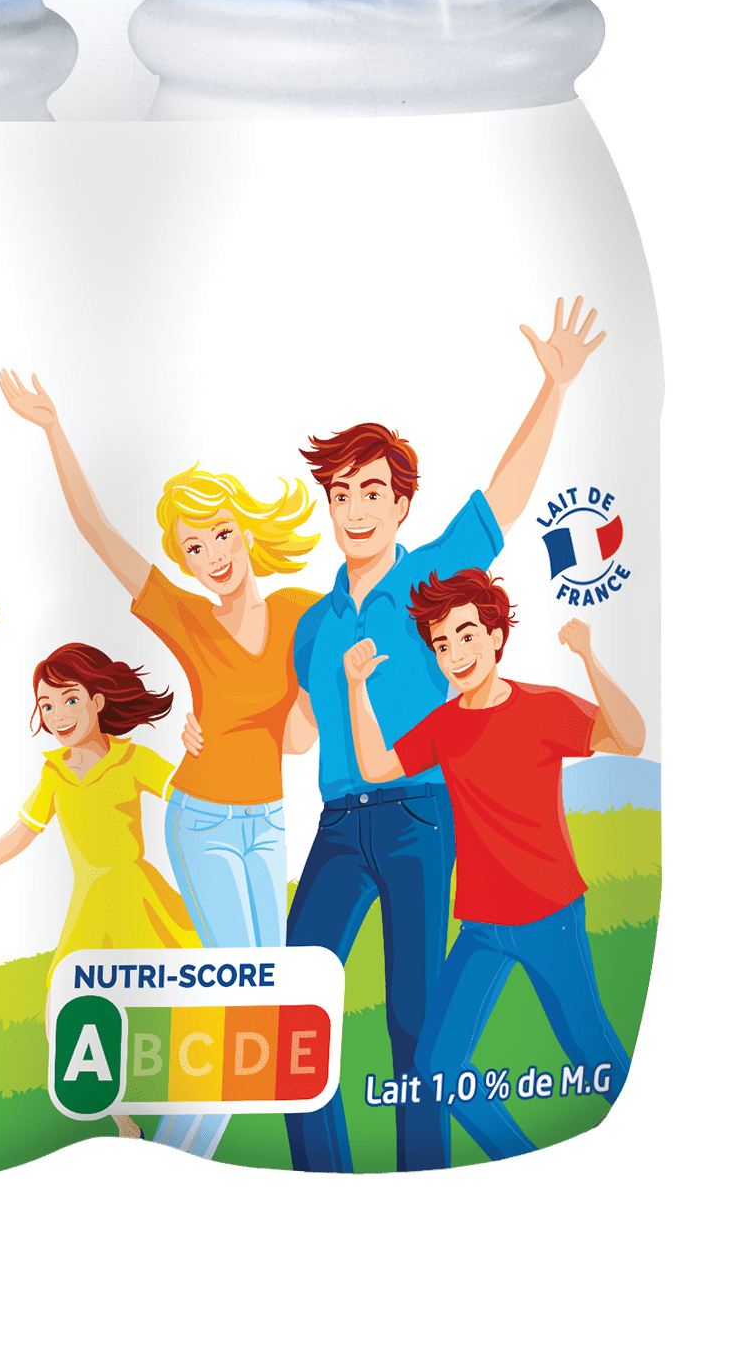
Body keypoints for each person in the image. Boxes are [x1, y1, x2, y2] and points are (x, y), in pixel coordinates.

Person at [286, 297, 605, 1174]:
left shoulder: (431, 576)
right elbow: (298, 732)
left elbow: (505, 496)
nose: (356, 509)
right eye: (341, 495)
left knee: (415, 1018)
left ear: (401, 504)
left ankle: (422, 1178)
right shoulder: (314, 623)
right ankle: (319, 1175)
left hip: (420, 814)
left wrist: (555, 388)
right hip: (337, 824)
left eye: (372, 493)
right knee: (297, 1000)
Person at [0, 373, 320, 1157]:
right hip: (202, 823)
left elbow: (299, 742)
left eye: (219, 536)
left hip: (268, 824)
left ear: (246, 532)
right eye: (192, 548)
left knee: (266, 1004)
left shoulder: (299, 613)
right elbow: (97, 531)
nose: (211, 557)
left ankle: (172, 1147)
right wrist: (52, 428)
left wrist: (318, 694)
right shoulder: (186, 617)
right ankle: (178, 1151)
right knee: (244, 999)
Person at [344, 574, 642, 1159]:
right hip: (482, 925)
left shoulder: (544, 708)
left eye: (466, 634)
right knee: (437, 1066)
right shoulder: (445, 725)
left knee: (591, 1053)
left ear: (497, 635)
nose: (455, 653)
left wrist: (587, 655)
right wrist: (356, 688)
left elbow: (631, 739)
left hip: (550, 914)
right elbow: (377, 767)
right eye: (442, 644)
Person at [0, 642, 195, 1141]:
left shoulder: (132, 759)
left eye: (69, 699)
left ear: (98, 701)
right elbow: (23, 832)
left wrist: (203, 748)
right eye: (47, 705)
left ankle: (185, 1095)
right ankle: (123, 1120)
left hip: (137, 893)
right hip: (90, 903)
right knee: (66, 1000)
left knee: (166, 991)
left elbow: (191, 793)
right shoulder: (53, 772)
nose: (57, 715)